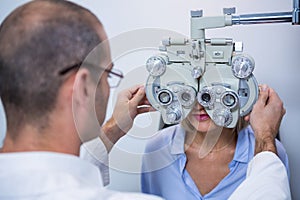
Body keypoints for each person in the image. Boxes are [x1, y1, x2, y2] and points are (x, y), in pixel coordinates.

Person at [0, 0, 291, 199]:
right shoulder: (157, 152)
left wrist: (114, 127)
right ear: (83, 87)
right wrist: (265, 138)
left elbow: (67, 175)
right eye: (109, 75)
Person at [141, 85, 290, 200]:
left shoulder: (269, 152)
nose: (199, 105)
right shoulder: (156, 149)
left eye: (210, 93)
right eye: (189, 93)